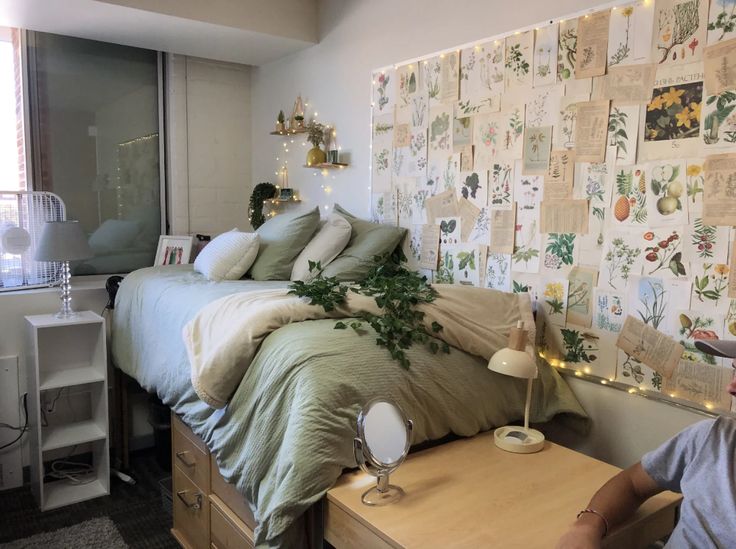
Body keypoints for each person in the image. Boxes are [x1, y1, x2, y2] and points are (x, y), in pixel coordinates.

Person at [556, 339, 736, 549]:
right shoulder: (713, 438)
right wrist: (586, 527)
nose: (730, 387)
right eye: (734, 369)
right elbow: (632, 483)